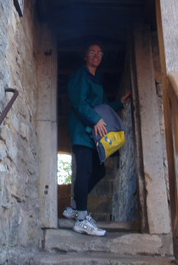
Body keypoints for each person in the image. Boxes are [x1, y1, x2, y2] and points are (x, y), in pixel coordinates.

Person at [63, 42, 131, 236]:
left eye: (100, 53)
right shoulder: (80, 76)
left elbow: (102, 106)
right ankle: (82, 219)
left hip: (92, 134)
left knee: (99, 170)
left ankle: (76, 206)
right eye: (92, 52)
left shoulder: (97, 79)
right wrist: (95, 120)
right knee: (84, 170)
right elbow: (79, 102)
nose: (96, 55)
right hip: (81, 131)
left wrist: (120, 102)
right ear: (85, 56)